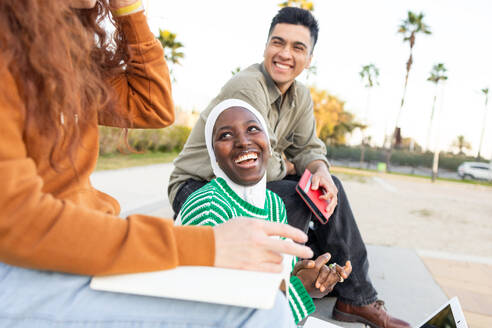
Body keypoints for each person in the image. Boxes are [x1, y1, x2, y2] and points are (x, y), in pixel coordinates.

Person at [0, 1, 314, 327]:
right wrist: (207, 244)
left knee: (264, 297)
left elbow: (152, 104)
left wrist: (128, 10)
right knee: (259, 310)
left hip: (77, 247)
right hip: (20, 266)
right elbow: (17, 221)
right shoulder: (7, 45)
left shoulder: (63, 51)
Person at [168, 6, 411, 328]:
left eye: (297, 48)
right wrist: (292, 166)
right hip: (199, 186)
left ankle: (350, 293)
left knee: (326, 186)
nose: (285, 54)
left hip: (245, 185)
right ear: (266, 46)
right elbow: (250, 160)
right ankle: (325, 292)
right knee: (297, 197)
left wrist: (319, 169)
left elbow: (309, 147)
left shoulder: (300, 96)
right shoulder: (248, 86)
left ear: (309, 58)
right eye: (277, 43)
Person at [175, 98, 353, 324]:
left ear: (268, 144)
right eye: (226, 135)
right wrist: (300, 290)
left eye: (252, 129)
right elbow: (220, 315)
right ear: (214, 157)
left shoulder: (274, 204)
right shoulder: (209, 206)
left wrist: (306, 278)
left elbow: (274, 286)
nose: (242, 141)